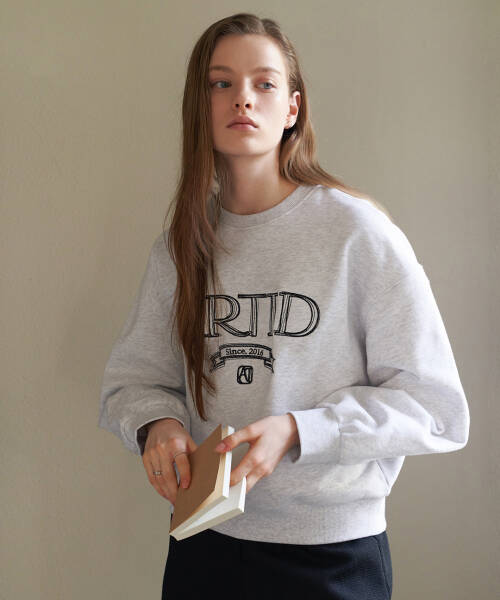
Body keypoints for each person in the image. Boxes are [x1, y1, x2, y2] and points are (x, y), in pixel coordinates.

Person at [98, 12, 470, 600]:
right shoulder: (182, 245)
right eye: (221, 83)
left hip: (330, 556)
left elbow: (436, 407)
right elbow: (135, 380)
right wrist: (158, 425)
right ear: (199, 107)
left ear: (292, 108)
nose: (242, 98)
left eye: (264, 83)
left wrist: (299, 430)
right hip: (205, 546)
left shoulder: (357, 233)